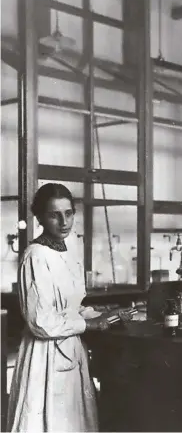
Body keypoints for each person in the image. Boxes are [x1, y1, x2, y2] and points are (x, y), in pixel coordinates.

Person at [7, 183, 130, 432]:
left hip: (71, 348)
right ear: (40, 217)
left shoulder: (69, 249)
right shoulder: (36, 256)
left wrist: (104, 315)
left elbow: (71, 306)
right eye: (54, 214)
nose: (64, 221)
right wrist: (89, 324)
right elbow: (40, 321)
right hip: (45, 356)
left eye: (69, 213)